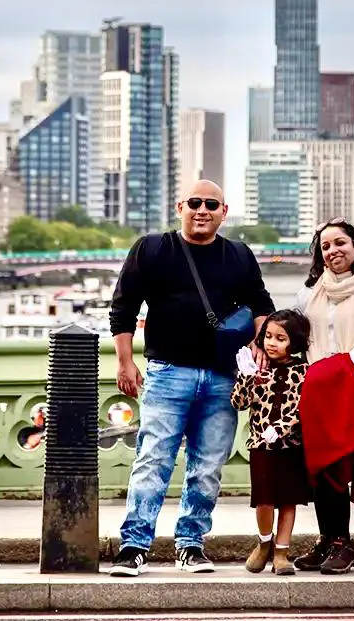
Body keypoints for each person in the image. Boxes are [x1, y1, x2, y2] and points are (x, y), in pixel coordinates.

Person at [107, 179, 276, 577]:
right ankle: (134, 546)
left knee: (208, 466)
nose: (203, 210)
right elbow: (123, 307)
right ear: (180, 206)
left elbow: (261, 304)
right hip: (167, 372)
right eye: (195, 203)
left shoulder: (238, 255)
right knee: (152, 459)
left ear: (224, 212)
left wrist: (261, 344)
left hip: (223, 377)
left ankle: (191, 545)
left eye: (211, 204)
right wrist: (124, 362)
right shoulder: (152, 249)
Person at [292, 217, 354, 575]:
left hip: (349, 388)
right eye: (325, 246)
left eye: (340, 243)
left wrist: (337, 368)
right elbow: (297, 338)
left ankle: (343, 544)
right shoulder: (308, 294)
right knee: (319, 466)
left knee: (340, 465)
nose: (333, 250)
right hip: (315, 390)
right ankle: (327, 539)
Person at [231, 309, 313, 576]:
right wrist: (245, 377)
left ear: (294, 342)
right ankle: (264, 542)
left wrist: (281, 428)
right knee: (264, 500)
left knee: (288, 500)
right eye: (268, 336)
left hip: (291, 446)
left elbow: (303, 409)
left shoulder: (303, 371)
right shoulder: (259, 368)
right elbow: (239, 403)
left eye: (280, 338)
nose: (271, 343)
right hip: (261, 446)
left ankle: (281, 551)